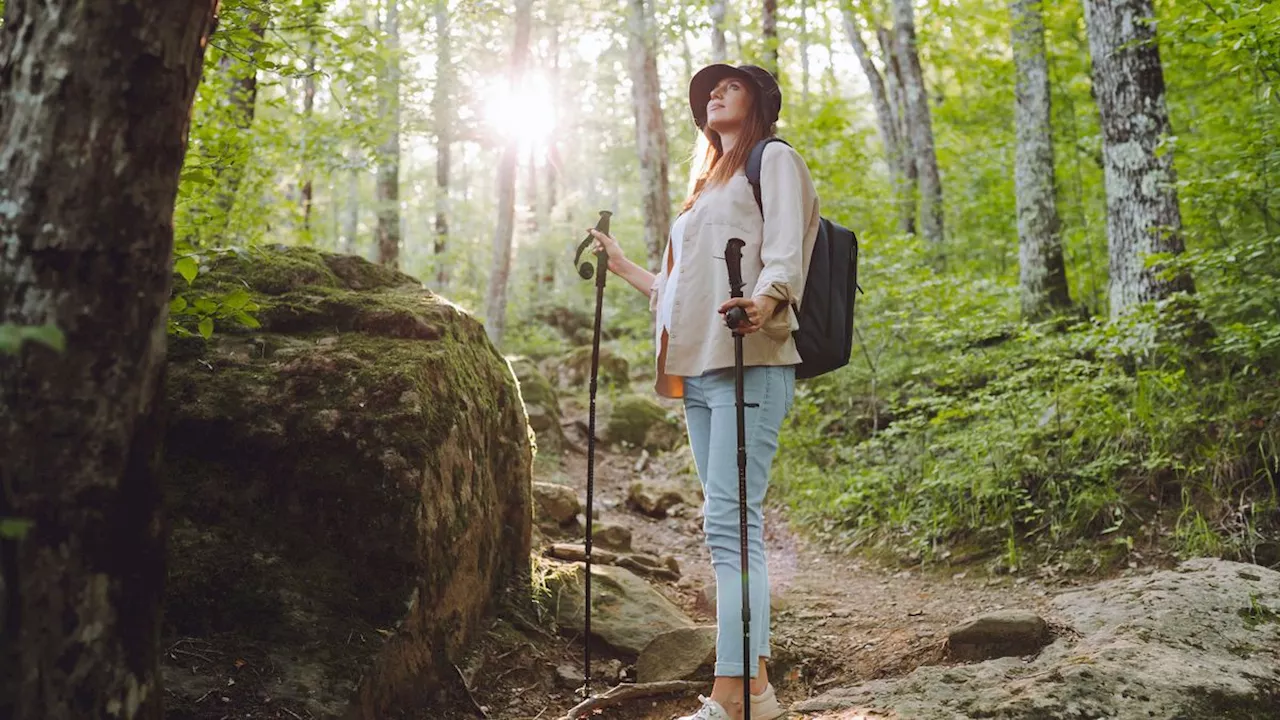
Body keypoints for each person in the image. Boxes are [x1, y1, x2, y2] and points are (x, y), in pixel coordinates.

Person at [589, 63, 820, 720]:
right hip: (702, 368)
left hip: (752, 357)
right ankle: (758, 693)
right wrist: (623, 263)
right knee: (726, 529)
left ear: (759, 104)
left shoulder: (774, 159)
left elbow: (784, 252)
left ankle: (730, 698)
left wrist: (769, 301)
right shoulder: (704, 190)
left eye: (731, 86)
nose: (715, 92)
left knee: (733, 525)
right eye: (709, 90)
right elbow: (678, 289)